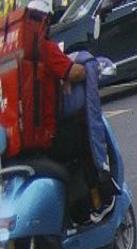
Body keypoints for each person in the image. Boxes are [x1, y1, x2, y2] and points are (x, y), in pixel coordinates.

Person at [19, 0, 113, 222]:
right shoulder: (44, 47)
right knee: (85, 141)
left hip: (21, 139)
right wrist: (92, 65)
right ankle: (97, 203)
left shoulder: (17, 53)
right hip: (48, 136)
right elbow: (74, 72)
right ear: (45, 21)